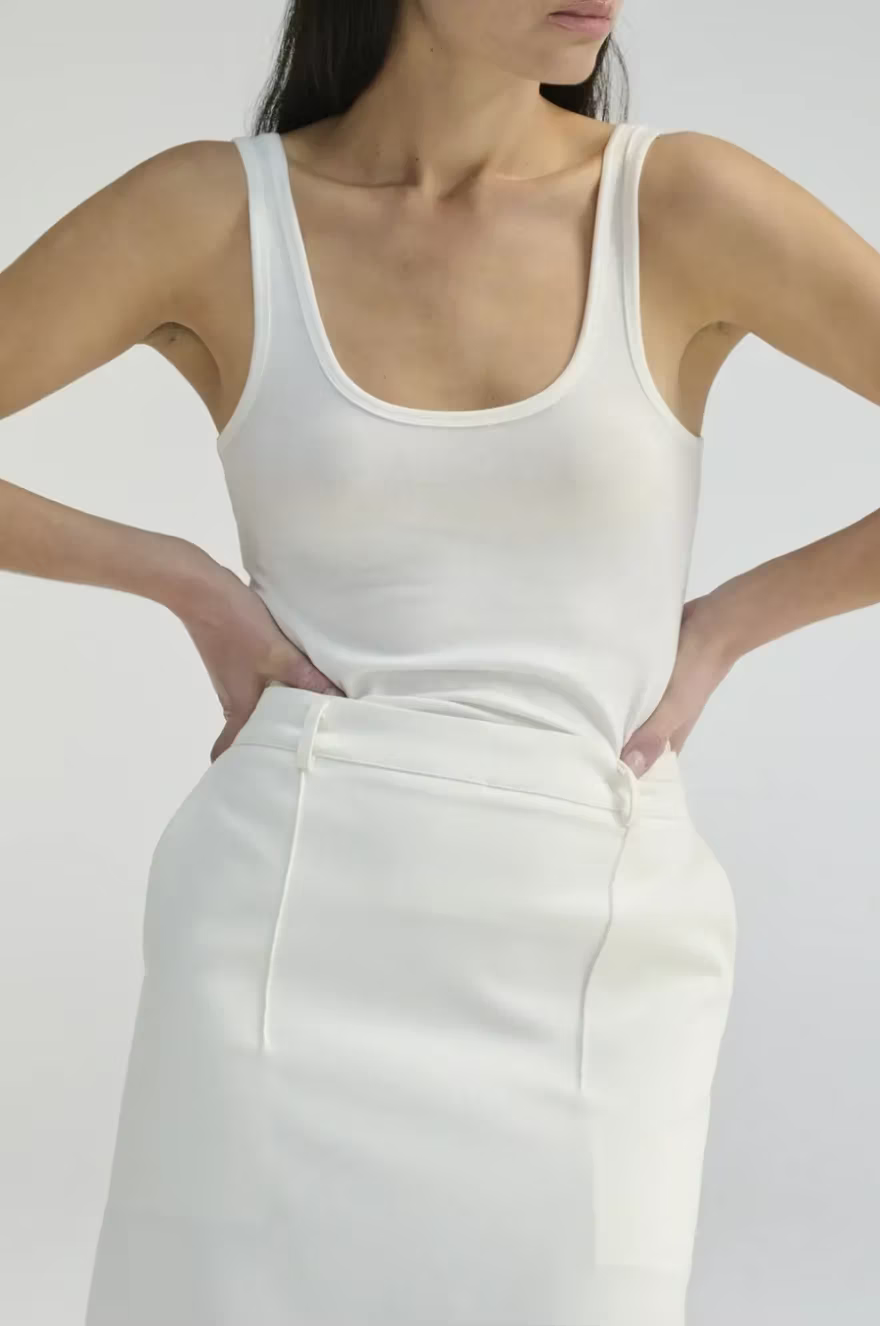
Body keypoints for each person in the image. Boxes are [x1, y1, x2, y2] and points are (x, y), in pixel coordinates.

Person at [3, 2, 880, 1324]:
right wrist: (182, 579)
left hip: (593, 941)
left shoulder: (680, 201)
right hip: (279, 934)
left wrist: (732, 621)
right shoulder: (214, 212)